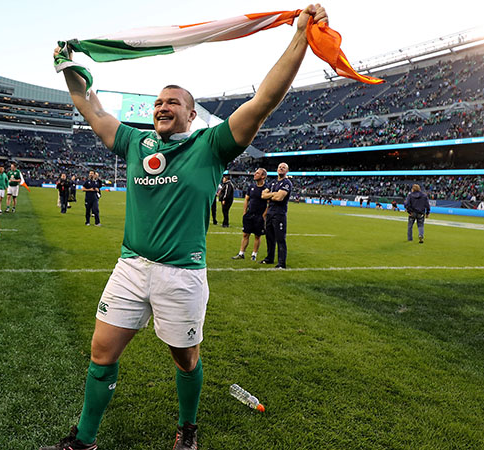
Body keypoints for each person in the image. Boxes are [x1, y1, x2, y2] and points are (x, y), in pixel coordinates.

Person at [43, 7, 328, 448]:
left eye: (173, 102)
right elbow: (90, 106)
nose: (162, 106)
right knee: (101, 353)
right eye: (158, 101)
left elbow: (263, 101)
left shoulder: (211, 146)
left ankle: (188, 429)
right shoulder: (136, 142)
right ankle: (83, 439)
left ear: (192, 115)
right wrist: (68, 68)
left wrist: (300, 38)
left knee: (186, 359)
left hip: (182, 275)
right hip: (131, 266)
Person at [260, 162, 293, 269]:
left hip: (279, 214)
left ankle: (281, 263)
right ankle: (269, 258)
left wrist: (270, 196)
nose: (281, 169)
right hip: (270, 212)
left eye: (283, 168)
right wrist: (274, 194)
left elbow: (279, 198)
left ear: (287, 171)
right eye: (279, 167)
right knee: (269, 237)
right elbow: (262, 195)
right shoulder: (273, 182)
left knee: (280, 238)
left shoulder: (287, 183)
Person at [232, 168, 268, 261]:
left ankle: (254, 254)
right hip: (249, 215)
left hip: (259, 216)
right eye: (255, 172)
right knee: (245, 234)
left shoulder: (266, 189)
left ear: (263, 176)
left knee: (257, 236)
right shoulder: (251, 186)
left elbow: (269, 203)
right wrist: (245, 212)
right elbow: (246, 199)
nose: (255, 174)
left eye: (257, 173)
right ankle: (241, 253)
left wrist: (263, 216)